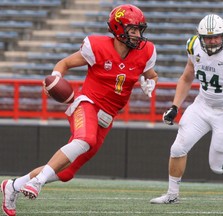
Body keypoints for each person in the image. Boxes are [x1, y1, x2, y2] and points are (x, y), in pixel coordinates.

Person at [1, 4, 158, 216]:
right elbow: (64, 63)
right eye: (133, 29)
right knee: (85, 140)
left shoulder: (145, 51)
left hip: (107, 117)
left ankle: (12, 186)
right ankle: (37, 182)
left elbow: (151, 74)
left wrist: (151, 82)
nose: (138, 34)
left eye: (139, 29)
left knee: (66, 173)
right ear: (118, 28)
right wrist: (56, 78)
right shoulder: (97, 46)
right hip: (87, 104)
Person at [150, 14, 223, 204]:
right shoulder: (194, 46)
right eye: (208, 38)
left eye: (216, 37)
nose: (212, 41)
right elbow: (187, 77)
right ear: (200, 37)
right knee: (178, 148)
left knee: (218, 167)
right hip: (202, 105)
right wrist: (174, 106)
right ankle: (172, 195)